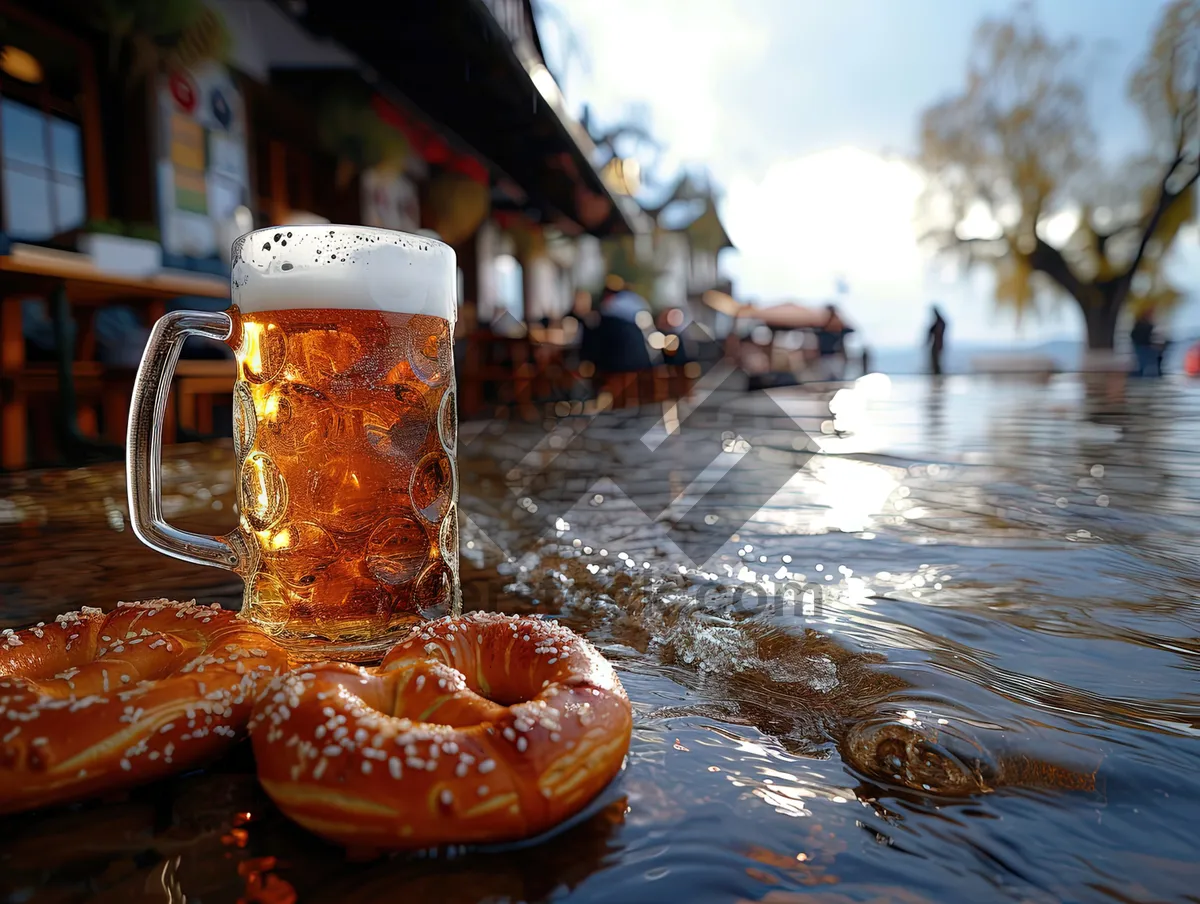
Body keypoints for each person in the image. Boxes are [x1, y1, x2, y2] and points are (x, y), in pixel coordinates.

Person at [815, 304, 854, 380]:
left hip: (836, 355)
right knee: (827, 378)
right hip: (825, 356)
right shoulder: (822, 326)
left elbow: (850, 329)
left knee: (837, 378)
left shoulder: (839, 326)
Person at [1131, 311, 1159, 377]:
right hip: (1144, 345)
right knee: (1145, 361)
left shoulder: (1138, 325)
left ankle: (1141, 374)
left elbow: (1133, 335)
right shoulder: (1147, 326)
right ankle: (1146, 375)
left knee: (1142, 361)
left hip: (1140, 345)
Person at [927, 305, 947, 375]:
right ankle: (936, 374)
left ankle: (937, 374)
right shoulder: (938, 322)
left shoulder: (940, 322)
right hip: (937, 344)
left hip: (938, 344)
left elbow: (936, 332)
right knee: (934, 362)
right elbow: (930, 331)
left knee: (936, 361)